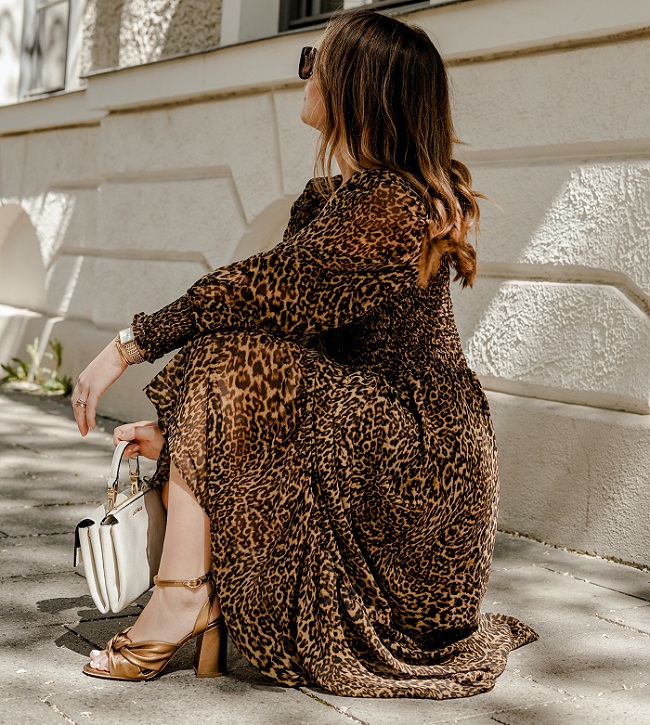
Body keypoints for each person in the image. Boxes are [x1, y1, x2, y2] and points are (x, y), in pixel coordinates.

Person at [72, 8, 537, 698]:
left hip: (420, 468)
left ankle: (181, 597)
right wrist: (184, 433)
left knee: (228, 348)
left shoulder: (393, 203)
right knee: (232, 353)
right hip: (365, 434)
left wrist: (128, 343)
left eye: (315, 59)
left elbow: (256, 291)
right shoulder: (326, 201)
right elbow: (284, 335)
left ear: (356, 85)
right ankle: (189, 595)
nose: (304, 71)